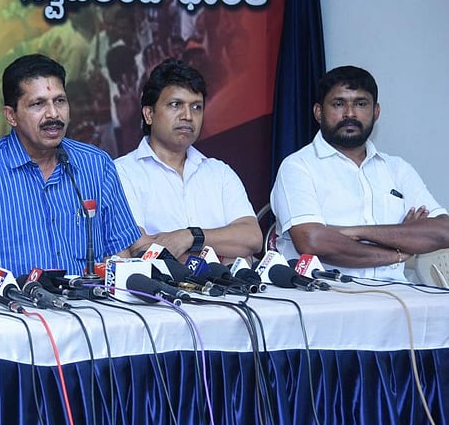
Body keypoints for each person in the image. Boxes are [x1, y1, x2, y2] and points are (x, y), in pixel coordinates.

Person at [0, 54, 148, 275]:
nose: (53, 114)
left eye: (60, 101)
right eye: (38, 104)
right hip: (14, 307)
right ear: (11, 116)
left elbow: (118, 254)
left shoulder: (97, 165)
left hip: (92, 306)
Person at [271, 65, 449, 281]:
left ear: (376, 112)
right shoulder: (298, 166)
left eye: (361, 104)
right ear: (318, 112)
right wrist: (399, 248)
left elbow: (443, 231)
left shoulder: (397, 168)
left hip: (400, 295)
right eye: (338, 104)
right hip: (325, 297)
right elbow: (312, 241)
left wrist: (357, 232)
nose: (350, 114)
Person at [114, 58, 261, 263]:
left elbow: (252, 238)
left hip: (228, 293)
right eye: (176, 105)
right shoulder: (122, 172)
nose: (188, 116)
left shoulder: (220, 172)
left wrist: (190, 237)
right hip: (160, 293)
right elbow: (140, 250)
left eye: (196, 107)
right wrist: (224, 255)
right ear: (149, 114)